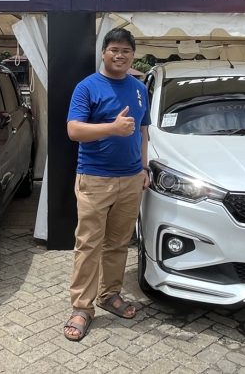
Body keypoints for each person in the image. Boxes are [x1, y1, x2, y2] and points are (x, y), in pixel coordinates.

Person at [63, 28, 151, 342]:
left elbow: (143, 132)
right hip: (95, 178)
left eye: (126, 50)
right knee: (89, 244)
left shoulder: (139, 88)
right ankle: (81, 307)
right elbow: (74, 130)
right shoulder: (87, 87)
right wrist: (112, 128)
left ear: (133, 55)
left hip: (131, 178)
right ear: (103, 52)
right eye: (114, 49)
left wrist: (143, 168)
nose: (120, 55)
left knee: (118, 243)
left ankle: (109, 294)